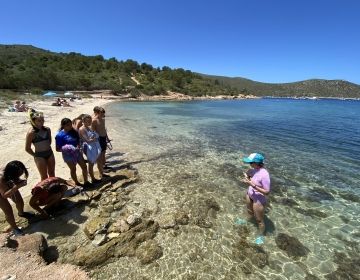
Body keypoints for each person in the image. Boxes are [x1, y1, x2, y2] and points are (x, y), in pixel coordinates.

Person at [241, 153, 270, 245]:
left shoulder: (264, 174)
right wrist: (247, 177)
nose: (249, 164)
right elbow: (249, 177)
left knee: (259, 220)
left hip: (259, 199)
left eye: (251, 162)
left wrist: (252, 185)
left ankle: (260, 235)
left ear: (256, 163)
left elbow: (267, 191)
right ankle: (246, 220)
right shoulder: (253, 169)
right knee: (249, 211)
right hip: (249, 195)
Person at [55, 118, 92, 188]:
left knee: (84, 166)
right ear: (63, 126)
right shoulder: (59, 135)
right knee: (73, 169)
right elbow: (57, 149)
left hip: (77, 152)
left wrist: (78, 146)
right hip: (68, 155)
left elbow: (78, 141)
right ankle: (77, 183)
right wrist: (67, 148)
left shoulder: (73, 131)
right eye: (68, 125)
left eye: (71, 124)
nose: (70, 126)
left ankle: (86, 182)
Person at [0, 161, 33, 236]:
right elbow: (4, 195)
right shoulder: (1, 178)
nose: (20, 175)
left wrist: (18, 181)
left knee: (19, 201)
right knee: (8, 210)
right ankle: (15, 228)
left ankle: (21, 213)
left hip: (6, 183)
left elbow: (13, 180)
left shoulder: (9, 170)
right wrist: (17, 186)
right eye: (18, 174)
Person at [25, 109, 55, 180]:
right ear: (33, 121)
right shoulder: (31, 133)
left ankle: (54, 189)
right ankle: (45, 190)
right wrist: (35, 155)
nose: (42, 122)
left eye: (43, 120)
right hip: (39, 156)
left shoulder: (47, 129)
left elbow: (49, 142)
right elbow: (27, 148)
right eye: (39, 120)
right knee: (44, 176)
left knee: (52, 173)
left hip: (50, 153)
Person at [79, 114, 102, 183]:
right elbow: (87, 141)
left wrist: (94, 138)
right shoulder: (82, 129)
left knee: (94, 161)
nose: (90, 122)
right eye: (88, 121)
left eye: (90, 121)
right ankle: (92, 178)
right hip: (87, 147)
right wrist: (95, 138)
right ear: (83, 121)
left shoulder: (89, 127)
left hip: (93, 146)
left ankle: (94, 177)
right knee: (91, 163)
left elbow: (92, 137)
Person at [91, 106, 108, 179]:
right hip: (99, 139)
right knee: (99, 158)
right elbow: (93, 132)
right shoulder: (94, 120)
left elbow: (104, 129)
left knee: (103, 154)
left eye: (103, 114)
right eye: (101, 113)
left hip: (104, 138)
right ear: (97, 113)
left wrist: (107, 138)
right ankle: (101, 174)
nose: (102, 115)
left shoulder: (103, 119)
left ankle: (102, 170)